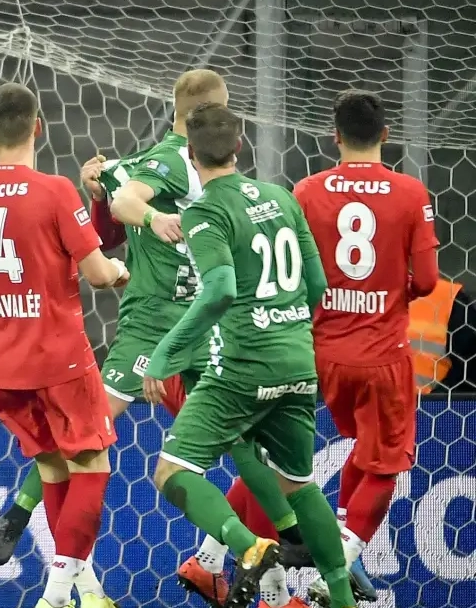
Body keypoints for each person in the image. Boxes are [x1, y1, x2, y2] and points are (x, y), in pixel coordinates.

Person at [0, 70, 311, 608]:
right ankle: (22, 516)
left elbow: (109, 228)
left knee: (231, 434)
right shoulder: (170, 161)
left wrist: (101, 190)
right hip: (158, 323)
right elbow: (121, 215)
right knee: (98, 426)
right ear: (204, 114)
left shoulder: (173, 163)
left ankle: (284, 545)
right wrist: (137, 208)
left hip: (196, 322)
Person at [143, 102, 358, 608]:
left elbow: (219, 290)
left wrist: (165, 354)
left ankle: (248, 546)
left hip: (241, 367)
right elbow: (317, 283)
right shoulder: (282, 197)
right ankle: (342, 597)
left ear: (190, 154)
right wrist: (286, 325)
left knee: (172, 472)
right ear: (239, 146)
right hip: (298, 361)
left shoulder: (204, 212)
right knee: (299, 485)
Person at [0, 81, 129, 608]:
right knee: (93, 468)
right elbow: (97, 273)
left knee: (54, 471)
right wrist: (118, 270)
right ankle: (56, 595)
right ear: (38, 127)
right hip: (61, 358)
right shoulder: (55, 190)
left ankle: (86, 592)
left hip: (7, 365)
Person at [294, 89, 440, 606]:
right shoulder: (410, 192)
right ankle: (335, 569)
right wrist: (393, 290)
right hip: (382, 354)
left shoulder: (306, 191)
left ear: (334, 136)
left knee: (356, 447)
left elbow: (296, 272)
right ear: (386, 135)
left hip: (324, 354)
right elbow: (428, 280)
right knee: (384, 463)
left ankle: (318, 551)